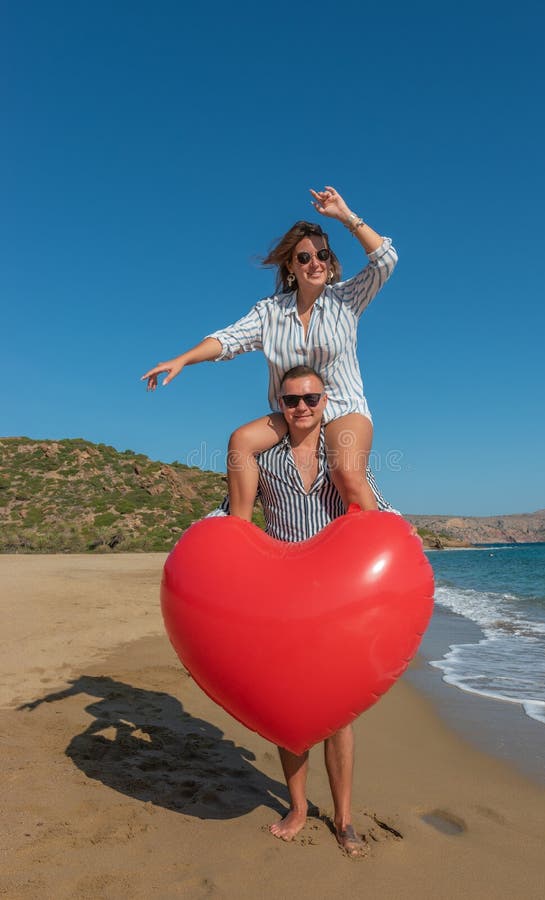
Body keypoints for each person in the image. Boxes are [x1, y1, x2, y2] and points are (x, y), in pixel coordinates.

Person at [207, 365, 403, 856]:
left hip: (338, 604)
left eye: (311, 399)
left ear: (325, 400)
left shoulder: (344, 456)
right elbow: (239, 521)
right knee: (288, 709)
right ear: (280, 401)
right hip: (282, 602)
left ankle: (343, 819)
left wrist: (403, 536)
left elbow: (374, 508)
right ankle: (297, 807)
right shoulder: (262, 457)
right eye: (292, 399)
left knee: (337, 715)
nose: (301, 408)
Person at [141, 185, 397, 523]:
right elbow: (227, 340)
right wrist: (182, 359)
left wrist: (345, 216)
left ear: (331, 262)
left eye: (322, 255)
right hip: (293, 412)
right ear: (291, 266)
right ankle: (240, 533)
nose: (314, 263)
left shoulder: (347, 299)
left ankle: (379, 548)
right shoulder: (270, 312)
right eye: (304, 257)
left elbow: (384, 260)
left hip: (342, 408)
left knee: (347, 474)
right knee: (241, 440)